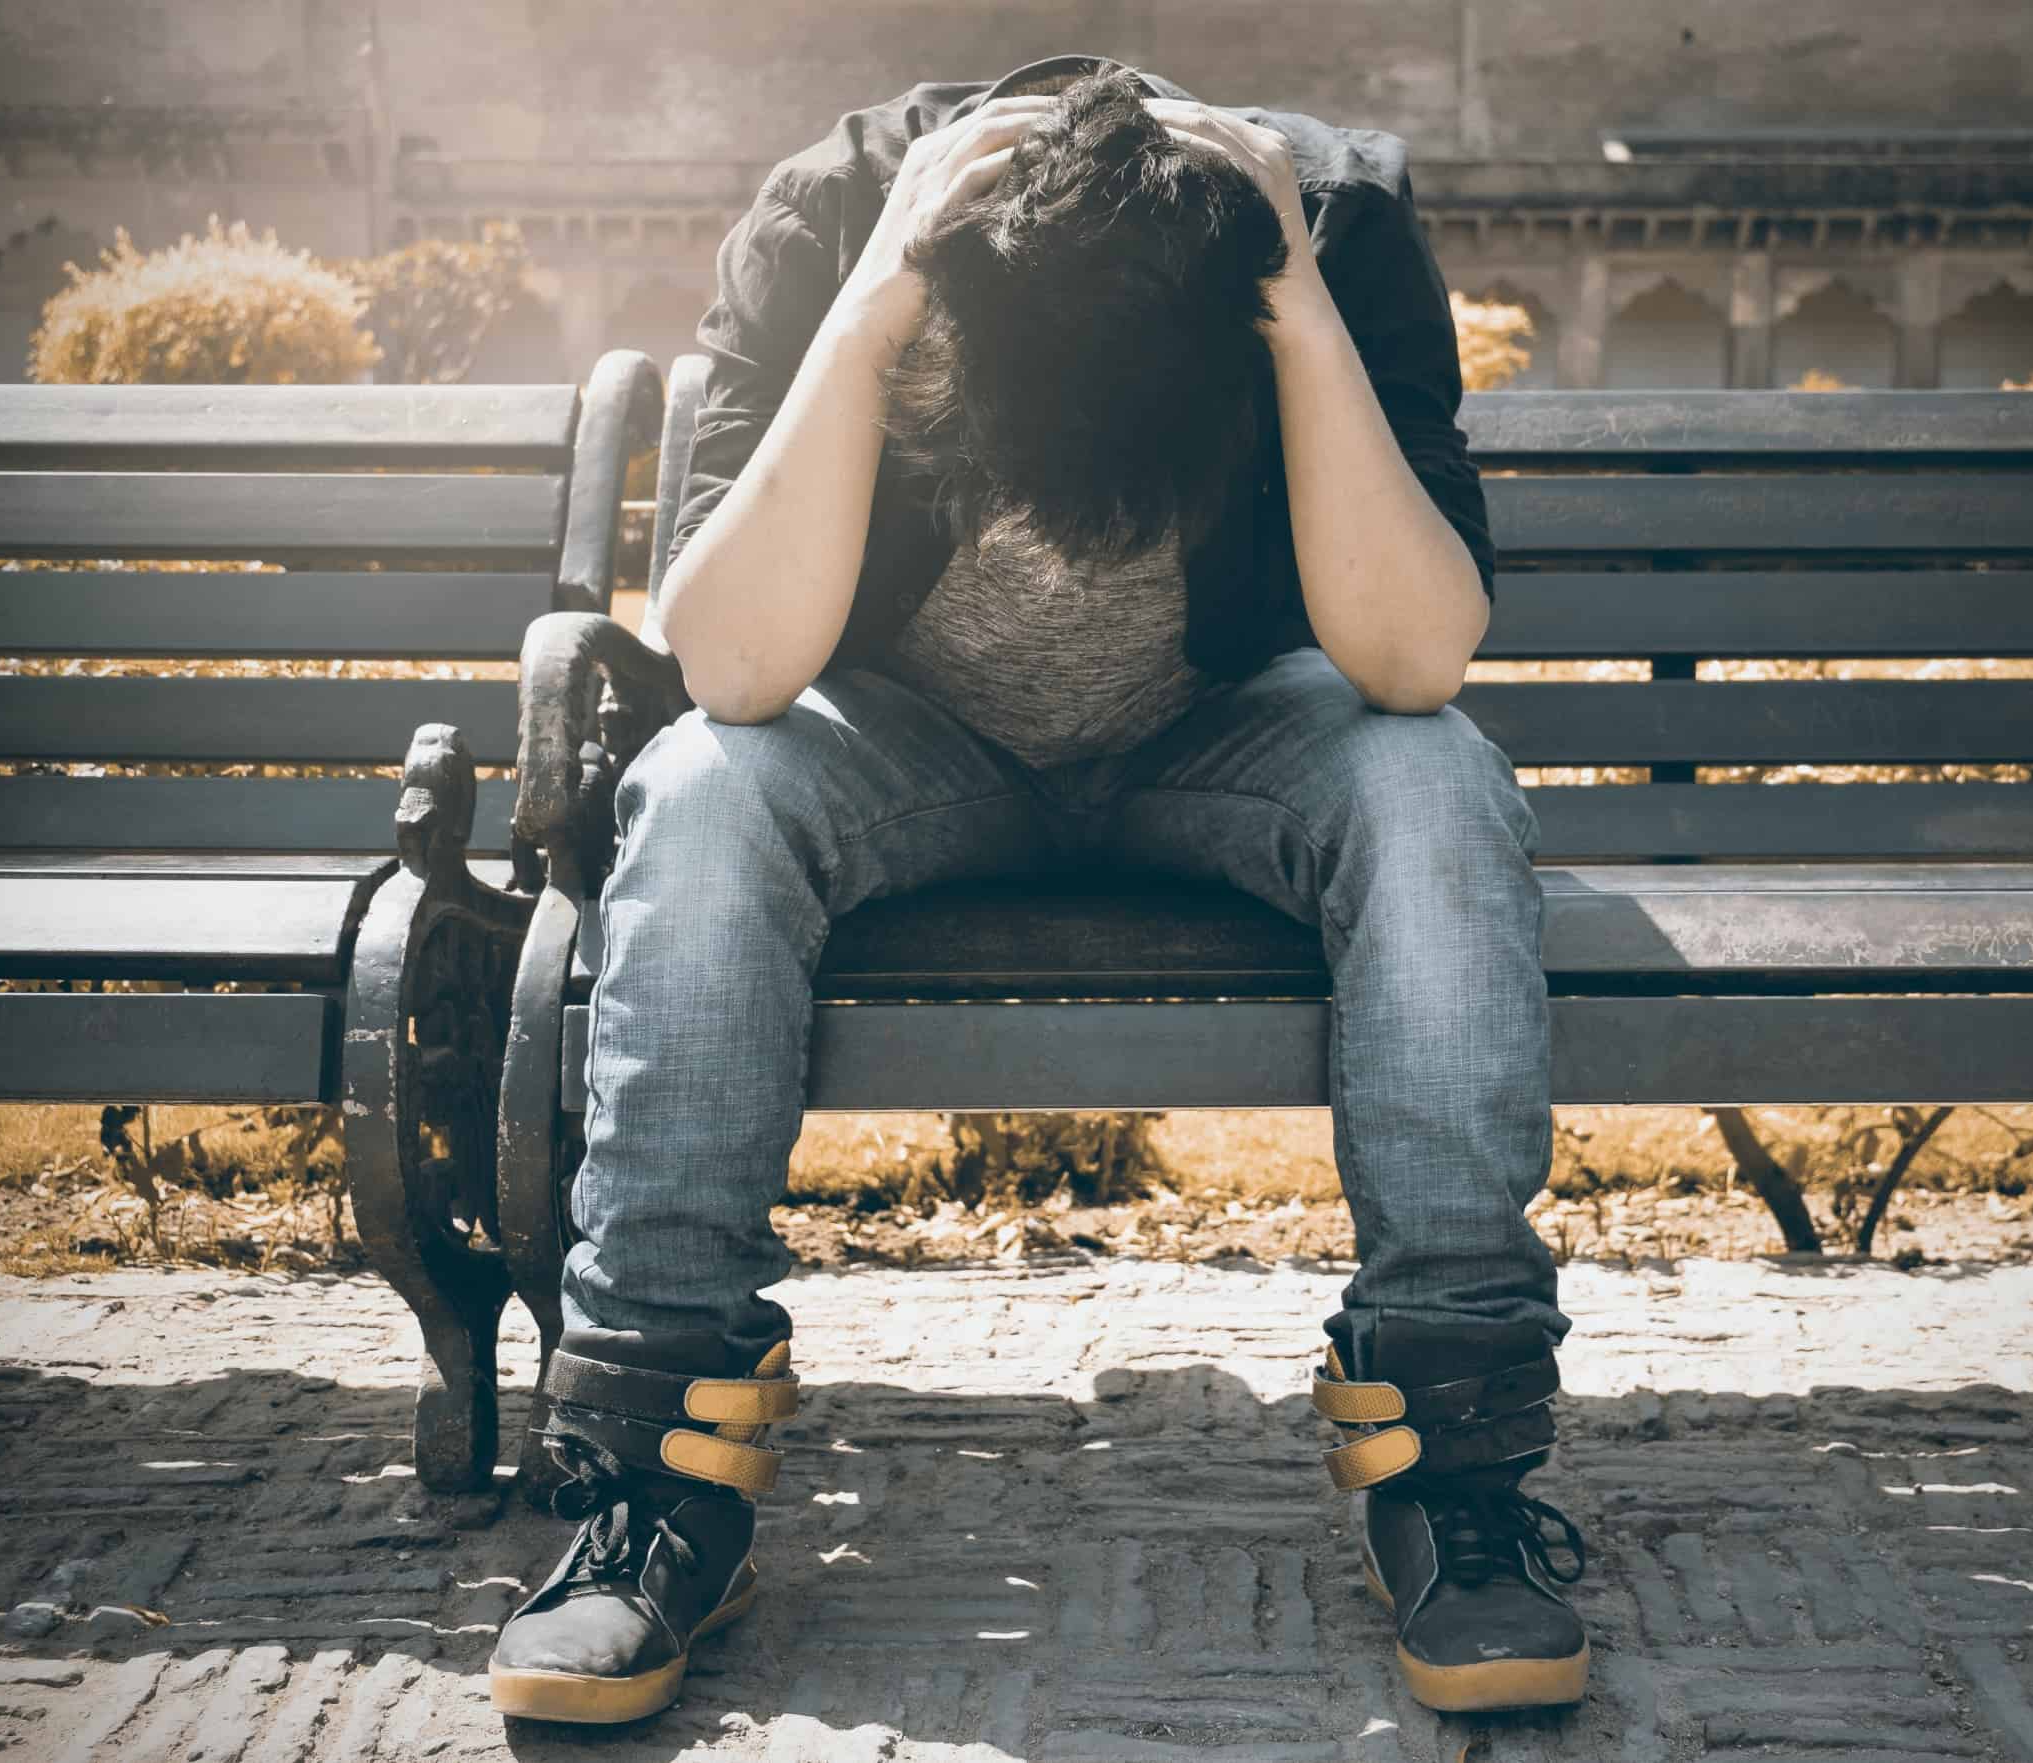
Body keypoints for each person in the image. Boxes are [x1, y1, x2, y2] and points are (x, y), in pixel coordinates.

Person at [487, 52, 1584, 1726]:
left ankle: (1458, 1463)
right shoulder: (834, 221)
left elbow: (1415, 657)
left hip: (1226, 733)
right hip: (908, 742)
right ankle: (650, 1483)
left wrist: (1289, 309)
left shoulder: (1330, 226)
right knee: (702, 792)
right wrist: (870, 314)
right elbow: (731, 662)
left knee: (1434, 783)